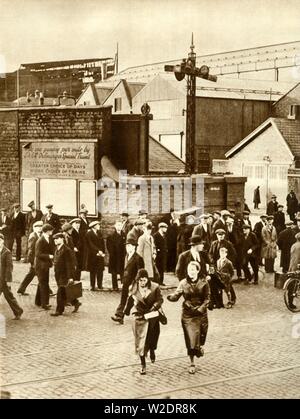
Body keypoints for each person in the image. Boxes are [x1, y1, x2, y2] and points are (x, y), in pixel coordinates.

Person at [167, 261, 210, 375]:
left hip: (201, 314)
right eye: (189, 269)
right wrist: (171, 297)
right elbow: (177, 295)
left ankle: (199, 347)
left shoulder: (204, 282)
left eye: (193, 269)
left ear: (197, 270)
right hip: (188, 315)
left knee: (201, 336)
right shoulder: (183, 283)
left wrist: (202, 308)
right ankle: (192, 363)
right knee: (190, 339)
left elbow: (207, 298)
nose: (190, 272)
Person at [124, 268, 163, 375]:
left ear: (147, 279)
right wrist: (126, 311)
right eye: (140, 280)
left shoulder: (155, 287)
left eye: (144, 280)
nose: (142, 282)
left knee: (151, 338)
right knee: (140, 342)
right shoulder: (133, 288)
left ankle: (152, 350)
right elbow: (130, 300)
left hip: (151, 315)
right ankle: (143, 365)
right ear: (137, 280)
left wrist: (155, 307)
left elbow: (160, 299)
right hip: (139, 316)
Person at [111, 238, 144, 324]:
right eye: (126, 246)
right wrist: (122, 280)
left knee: (132, 300)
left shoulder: (138, 258)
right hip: (126, 282)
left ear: (134, 247)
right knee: (123, 299)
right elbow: (124, 270)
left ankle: (124, 313)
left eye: (129, 246)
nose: (127, 247)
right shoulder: (126, 256)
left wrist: (133, 284)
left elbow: (140, 273)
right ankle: (119, 315)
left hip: (133, 283)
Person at [50, 233, 81, 316]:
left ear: (62, 239)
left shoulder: (66, 250)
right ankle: (76, 302)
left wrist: (70, 277)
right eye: (54, 239)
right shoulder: (57, 249)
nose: (55, 240)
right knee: (64, 291)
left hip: (64, 275)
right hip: (58, 274)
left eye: (57, 238)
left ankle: (59, 311)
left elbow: (69, 264)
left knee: (60, 292)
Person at [0, 233, 23, 320]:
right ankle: (18, 311)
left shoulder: (7, 252)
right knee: (9, 296)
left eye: (0, 240)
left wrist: (8, 280)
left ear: (2, 241)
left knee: (9, 296)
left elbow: (9, 268)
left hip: (3, 279)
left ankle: (18, 311)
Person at [17, 221, 43, 295]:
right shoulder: (33, 236)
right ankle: (48, 290)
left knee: (31, 275)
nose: (40, 228)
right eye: (38, 227)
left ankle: (21, 289)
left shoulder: (39, 235)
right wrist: (31, 261)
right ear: (34, 228)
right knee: (39, 275)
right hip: (34, 260)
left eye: (41, 227)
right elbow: (31, 249)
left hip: (37, 260)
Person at [34, 223, 54, 310]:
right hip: (40, 265)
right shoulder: (40, 241)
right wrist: (49, 256)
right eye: (51, 230)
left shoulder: (48, 238)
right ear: (47, 231)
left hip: (45, 265)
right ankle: (44, 303)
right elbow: (38, 254)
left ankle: (38, 301)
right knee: (44, 284)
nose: (52, 231)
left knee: (42, 282)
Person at [86, 221, 105, 291]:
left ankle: (100, 285)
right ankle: (92, 285)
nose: (99, 226)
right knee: (93, 271)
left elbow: (102, 243)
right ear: (94, 226)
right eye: (97, 225)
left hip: (100, 255)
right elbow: (90, 244)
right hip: (92, 255)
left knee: (100, 270)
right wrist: (97, 251)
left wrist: (103, 252)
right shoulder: (89, 234)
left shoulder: (99, 233)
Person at [107, 220, 125, 290]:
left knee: (122, 271)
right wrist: (112, 254)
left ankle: (123, 285)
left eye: (120, 225)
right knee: (114, 272)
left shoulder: (124, 235)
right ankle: (115, 286)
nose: (119, 227)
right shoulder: (111, 237)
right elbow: (109, 247)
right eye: (118, 225)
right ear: (115, 226)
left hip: (122, 257)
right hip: (114, 257)